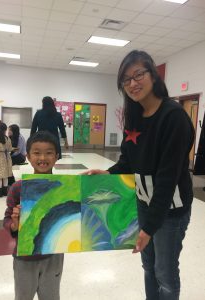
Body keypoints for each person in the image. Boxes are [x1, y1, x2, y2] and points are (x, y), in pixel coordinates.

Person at [83, 50, 195, 300]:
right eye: (126, 79)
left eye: (138, 75)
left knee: (164, 272)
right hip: (144, 205)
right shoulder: (134, 115)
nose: (132, 83)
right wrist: (108, 172)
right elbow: (127, 160)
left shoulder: (173, 117)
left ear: (153, 75)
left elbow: (167, 180)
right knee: (148, 267)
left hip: (170, 211)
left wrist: (149, 228)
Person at [3, 131, 64, 300]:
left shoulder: (65, 187)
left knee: (51, 296)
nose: (42, 157)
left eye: (49, 152)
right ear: (28, 156)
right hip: (25, 257)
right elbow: (7, 219)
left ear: (57, 156)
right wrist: (14, 224)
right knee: (23, 296)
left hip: (53, 255)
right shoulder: (17, 188)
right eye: (37, 153)